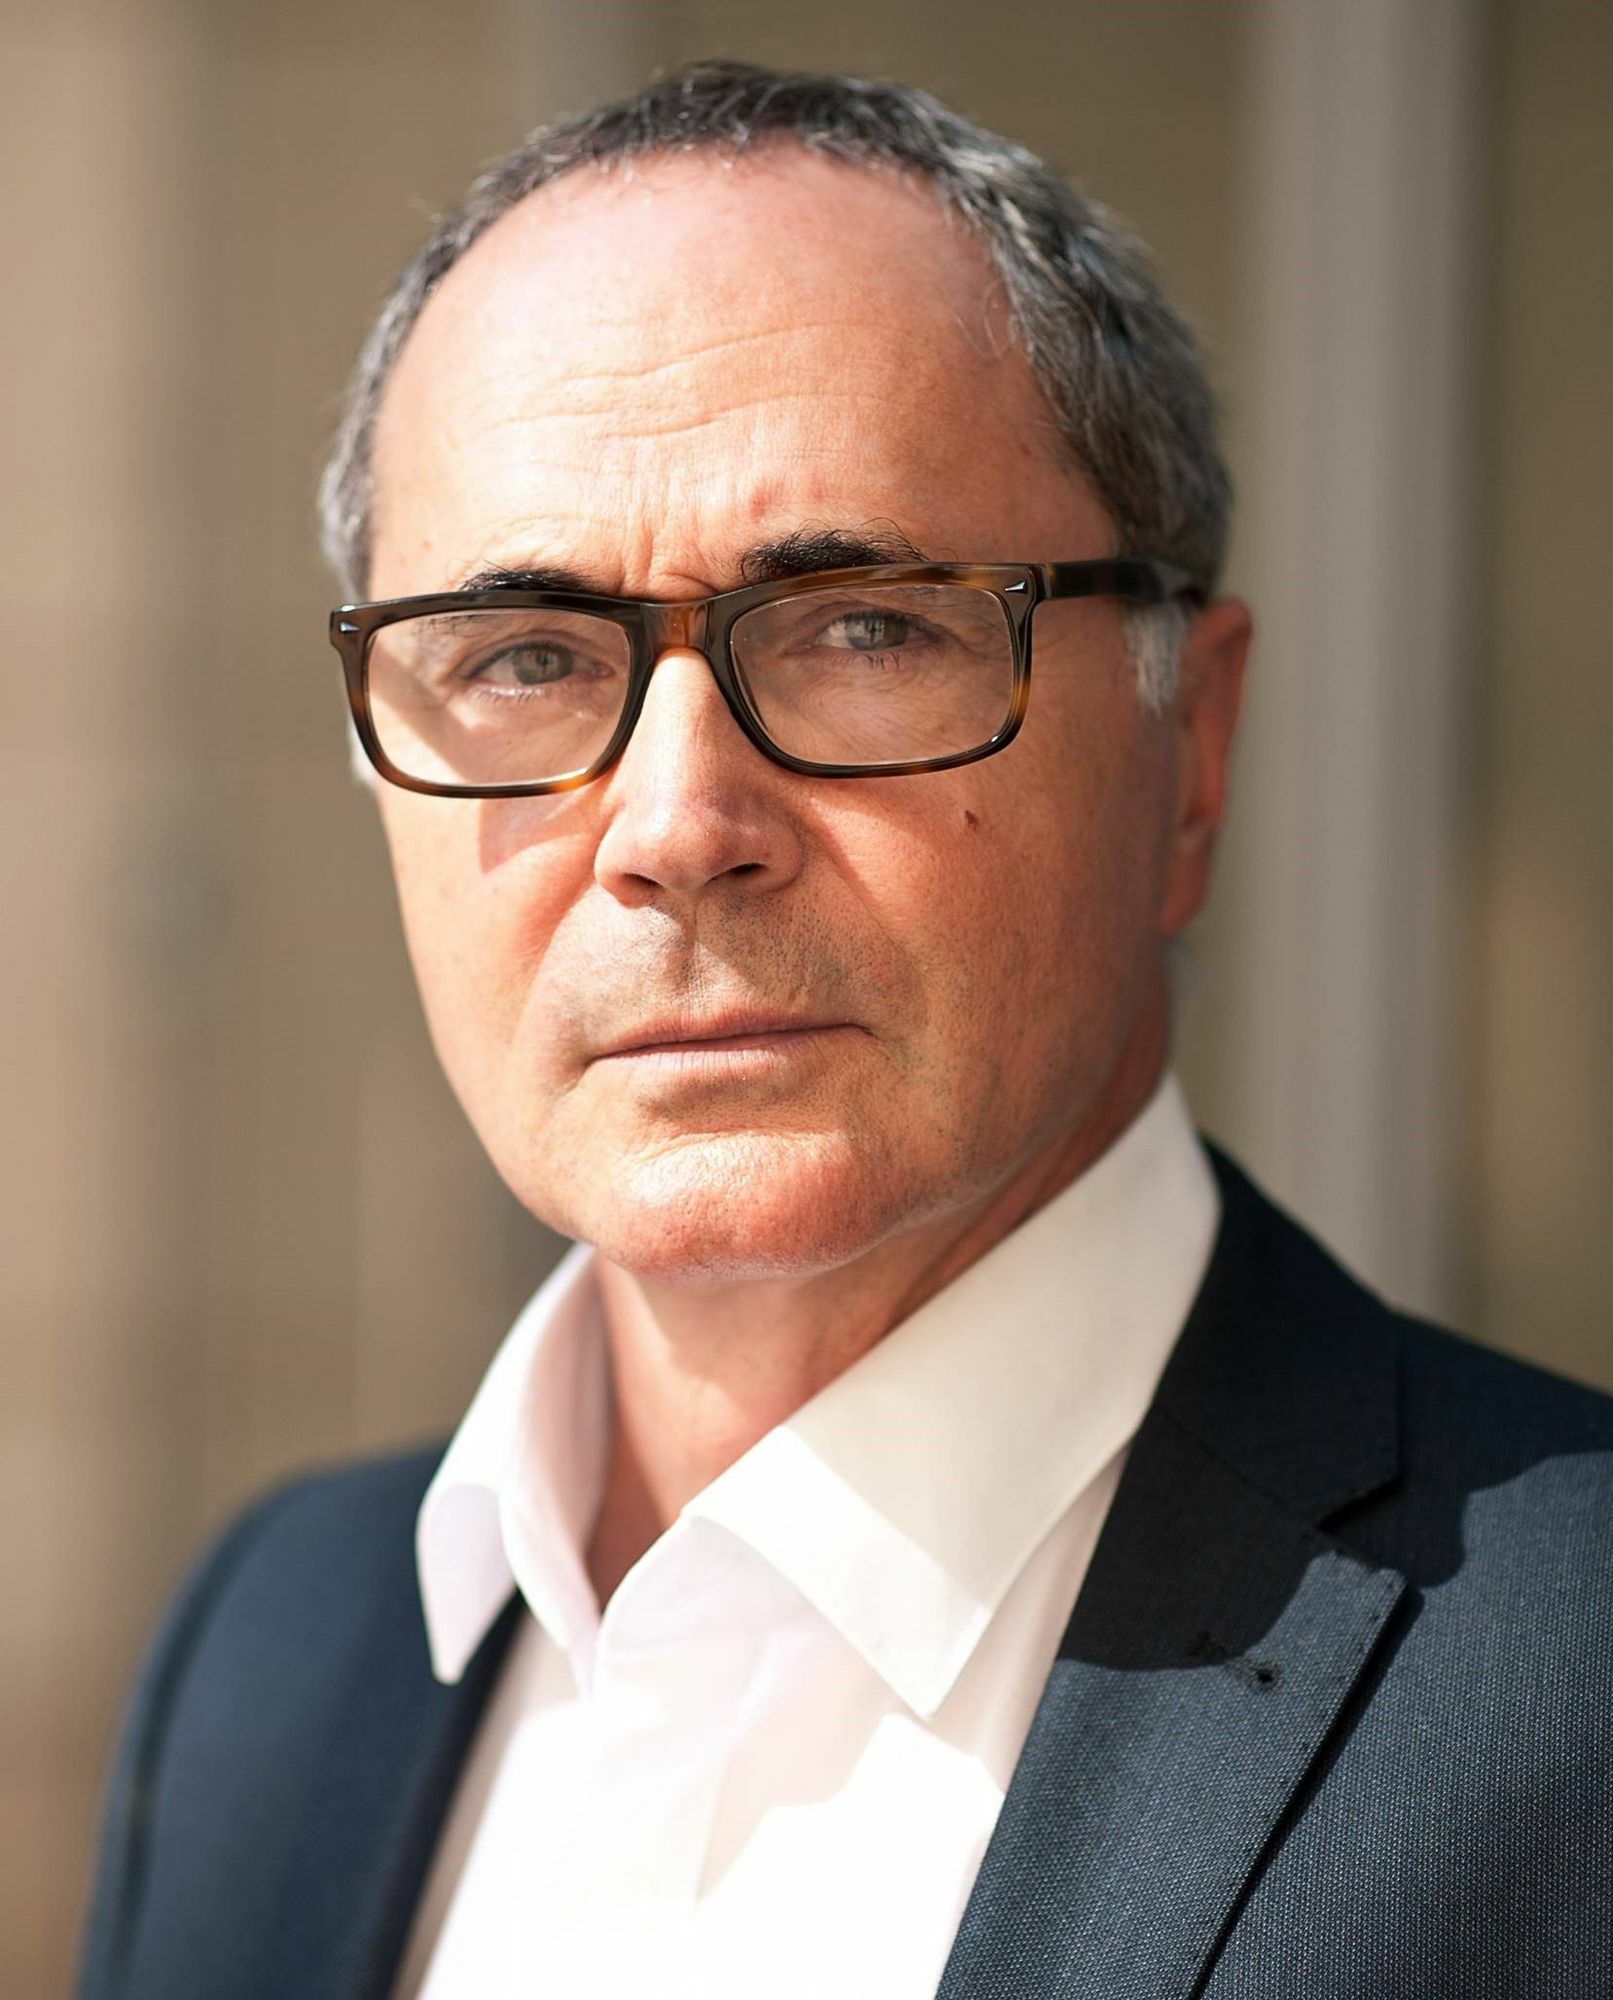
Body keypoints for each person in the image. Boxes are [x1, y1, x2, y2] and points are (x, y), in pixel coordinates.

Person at [79, 60, 1611, 2000]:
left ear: (1193, 749)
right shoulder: (269, 1646)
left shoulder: (1574, 1687)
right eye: (526, 656)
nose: (674, 825)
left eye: (865, 626)